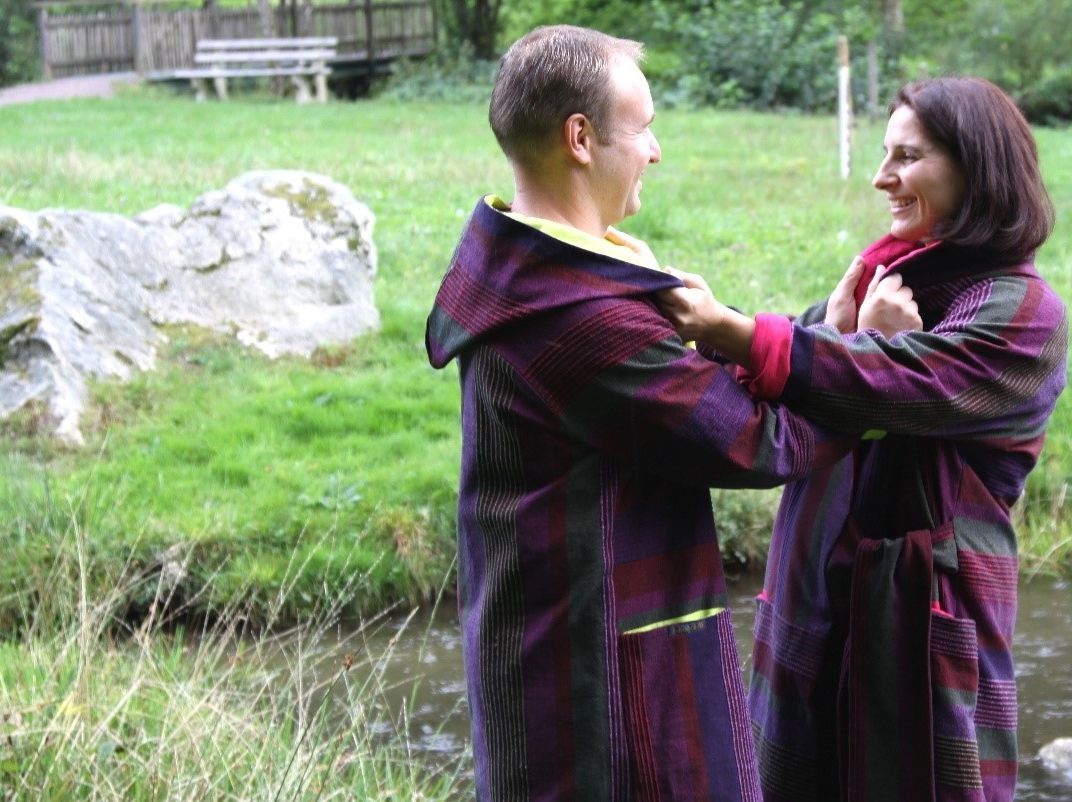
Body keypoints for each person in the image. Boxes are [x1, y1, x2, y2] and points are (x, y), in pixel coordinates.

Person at [425, 24, 917, 802]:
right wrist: (870, 362)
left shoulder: (527, 271)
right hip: (604, 696)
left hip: (547, 652)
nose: (655, 150)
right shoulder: (576, 316)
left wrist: (806, 338)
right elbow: (754, 440)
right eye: (644, 126)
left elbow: (684, 395)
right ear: (580, 139)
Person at [660, 77, 1068, 802]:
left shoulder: (1025, 314)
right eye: (884, 154)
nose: (882, 177)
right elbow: (784, 365)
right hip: (814, 605)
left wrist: (742, 328)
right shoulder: (889, 279)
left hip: (927, 626)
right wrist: (700, 327)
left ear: (977, 170)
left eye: (907, 157)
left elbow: (888, 383)